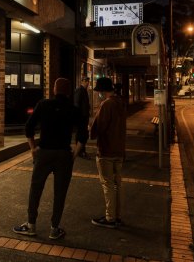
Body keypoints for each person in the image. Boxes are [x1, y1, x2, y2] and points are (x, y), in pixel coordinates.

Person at [13, 77, 84, 240]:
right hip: (64, 154)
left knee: (36, 189)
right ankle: (54, 228)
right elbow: (83, 135)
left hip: (44, 153)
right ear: (68, 92)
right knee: (60, 193)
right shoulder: (74, 109)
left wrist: (32, 148)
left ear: (54, 89)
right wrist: (75, 153)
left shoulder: (43, 104)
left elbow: (28, 127)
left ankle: (31, 225)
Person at [89, 77, 127, 228]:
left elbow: (100, 126)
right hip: (119, 149)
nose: (99, 94)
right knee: (117, 184)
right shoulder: (120, 102)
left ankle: (109, 217)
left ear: (103, 91)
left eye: (99, 91)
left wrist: (91, 130)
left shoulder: (107, 104)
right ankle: (117, 216)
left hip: (106, 150)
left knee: (107, 184)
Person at [73, 76, 91, 158]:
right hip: (81, 117)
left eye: (88, 81)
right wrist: (78, 116)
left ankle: (81, 150)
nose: (88, 83)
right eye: (86, 81)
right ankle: (80, 151)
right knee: (81, 134)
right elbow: (76, 104)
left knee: (83, 134)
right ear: (82, 81)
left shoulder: (84, 90)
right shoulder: (79, 90)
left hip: (84, 117)